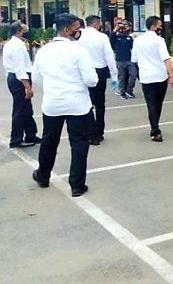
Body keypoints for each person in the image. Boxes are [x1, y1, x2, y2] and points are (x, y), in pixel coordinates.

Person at [31, 14, 98, 197]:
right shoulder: (79, 51)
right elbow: (91, 80)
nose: (79, 32)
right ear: (66, 30)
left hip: (53, 104)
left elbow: (36, 79)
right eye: (76, 28)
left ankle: (43, 175)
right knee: (79, 143)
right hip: (78, 104)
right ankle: (77, 185)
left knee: (49, 140)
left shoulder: (43, 51)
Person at [132, 16, 173, 142]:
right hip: (160, 76)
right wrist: (172, 76)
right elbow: (166, 58)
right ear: (153, 26)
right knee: (158, 103)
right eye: (159, 25)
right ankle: (155, 128)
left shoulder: (137, 40)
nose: (161, 28)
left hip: (146, 77)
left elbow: (134, 59)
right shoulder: (159, 40)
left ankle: (154, 127)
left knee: (151, 104)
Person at [78, 15, 118, 146]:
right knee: (100, 103)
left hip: (83, 71)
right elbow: (109, 56)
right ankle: (99, 132)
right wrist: (114, 75)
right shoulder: (102, 37)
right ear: (96, 24)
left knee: (86, 102)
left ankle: (90, 132)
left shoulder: (79, 36)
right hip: (99, 71)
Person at [3, 21, 40, 148]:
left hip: (15, 78)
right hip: (19, 79)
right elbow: (19, 68)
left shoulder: (13, 43)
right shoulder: (17, 46)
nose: (28, 32)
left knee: (26, 108)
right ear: (19, 32)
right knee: (20, 110)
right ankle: (16, 139)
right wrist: (27, 87)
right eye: (25, 30)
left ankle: (31, 134)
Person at [110, 20, 137, 100]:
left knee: (133, 75)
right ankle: (122, 93)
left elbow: (134, 48)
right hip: (120, 60)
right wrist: (117, 28)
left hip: (129, 60)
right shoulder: (116, 38)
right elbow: (111, 37)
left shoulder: (129, 38)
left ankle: (129, 90)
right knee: (122, 78)